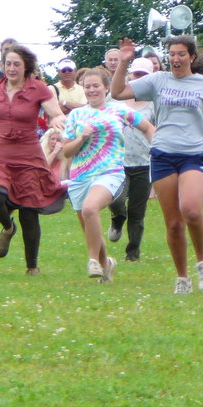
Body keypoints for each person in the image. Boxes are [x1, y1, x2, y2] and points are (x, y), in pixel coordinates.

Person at [111, 36, 203, 293]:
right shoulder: (157, 80)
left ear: (191, 57)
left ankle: (202, 263)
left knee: (192, 210)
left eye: (181, 54)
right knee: (173, 223)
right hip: (162, 154)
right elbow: (118, 92)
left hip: (194, 155)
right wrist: (123, 62)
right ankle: (182, 278)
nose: (176, 59)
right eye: (172, 54)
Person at [0, 44, 67, 276]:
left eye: (16, 64)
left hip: (29, 157)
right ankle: (8, 227)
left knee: (29, 211)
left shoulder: (38, 89)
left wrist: (56, 121)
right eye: (8, 64)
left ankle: (32, 267)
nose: (11, 68)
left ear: (25, 67)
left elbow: (56, 112)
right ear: (2, 66)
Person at [63, 68, 154, 282]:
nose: (92, 90)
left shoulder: (119, 110)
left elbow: (148, 127)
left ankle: (93, 260)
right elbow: (66, 151)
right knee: (89, 224)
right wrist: (81, 138)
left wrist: (156, 149)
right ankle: (106, 265)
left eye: (96, 86)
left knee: (90, 208)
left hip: (109, 172)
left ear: (106, 88)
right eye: (87, 86)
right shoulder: (76, 115)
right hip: (80, 176)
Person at [107, 57, 157, 261]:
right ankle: (117, 218)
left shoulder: (155, 104)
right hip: (116, 162)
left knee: (138, 211)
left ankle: (133, 253)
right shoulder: (114, 100)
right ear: (130, 75)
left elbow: (156, 130)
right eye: (136, 74)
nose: (139, 79)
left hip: (143, 163)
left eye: (143, 76)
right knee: (114, 200)